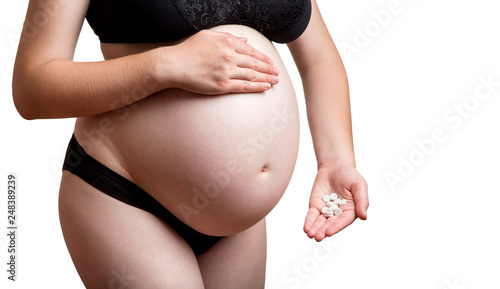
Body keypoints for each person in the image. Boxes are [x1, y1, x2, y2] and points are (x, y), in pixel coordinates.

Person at [12, 0, 369, 288]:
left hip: (235, 225)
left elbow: (318, 56)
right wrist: (166, 65)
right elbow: (31, 87)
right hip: (126, 195)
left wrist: (336, 160)